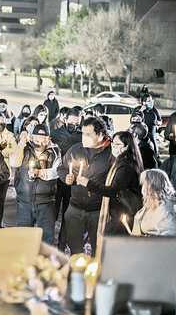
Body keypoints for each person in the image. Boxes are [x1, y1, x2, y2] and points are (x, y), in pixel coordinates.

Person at [58, 116, 112, 255]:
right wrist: (66, 178)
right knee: (75, 248)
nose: (83, 137)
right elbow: (62, 168)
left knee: (98, 249)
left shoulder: (111, 153)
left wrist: (91, 185)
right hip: (75, 207)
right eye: (82, 133)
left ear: (100, 135)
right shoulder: (76, 149)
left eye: (88, 134)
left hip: (97, 210)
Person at [76, 131, 143, 235]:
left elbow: (113, 191)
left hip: (123, 214)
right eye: (113, 143)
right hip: (118, 212)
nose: (114, 147)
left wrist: (88, 183)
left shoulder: (126, 167)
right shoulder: (118, 161)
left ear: (126, 147)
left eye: (118, 144)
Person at [10, 124, 61, 243]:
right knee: (23, 238)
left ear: (48, 139)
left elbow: (57, 171)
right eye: (36, 139)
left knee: (46, 238)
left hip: (46, 203)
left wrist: (40, 173)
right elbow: (14, 162)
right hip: (24, 202)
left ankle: (43, 260)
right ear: (31, 137)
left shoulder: (55, 151)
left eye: (42, 139)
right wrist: (22, 142)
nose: (39, 142)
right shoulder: (24, 149)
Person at [51, 107, 82, 248]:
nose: (74, 126)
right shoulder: (55, 134)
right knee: (52, 213)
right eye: (72, 122)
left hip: (72, 181)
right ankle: (48, 242)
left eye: (77, 123)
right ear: (65, 119)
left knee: (67, 215)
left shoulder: (81, 137)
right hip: (56, 180)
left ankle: (61, 246)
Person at [132, 169, 176, 237]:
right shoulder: (151, 205)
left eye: (144, 185)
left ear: (153, 187)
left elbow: (171, 237)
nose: (142, 190)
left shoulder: (168, 210)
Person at [0, 114, 17, 228]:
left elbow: (14, 149)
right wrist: (2, 149)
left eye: (2, 122)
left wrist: (1, 150)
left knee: (1, 198)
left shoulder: (10, 135)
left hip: (5, 170)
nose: (0, 124)